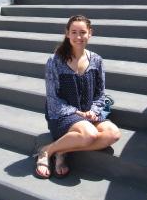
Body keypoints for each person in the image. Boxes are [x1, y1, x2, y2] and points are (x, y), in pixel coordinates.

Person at [35, 15, 121, 179]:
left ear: (90, 33)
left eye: (83, 32)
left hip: (89, 113)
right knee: (90, 134)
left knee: (113, 134)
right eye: (74, 32)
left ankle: (60, 150)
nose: (78, 37)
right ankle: (45, 151)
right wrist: (77, 112)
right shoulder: (55, 61)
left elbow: (100, 93)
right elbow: (53, 99)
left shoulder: (96, 59)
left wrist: (94, 110)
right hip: (62, 115)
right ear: (67, 33)